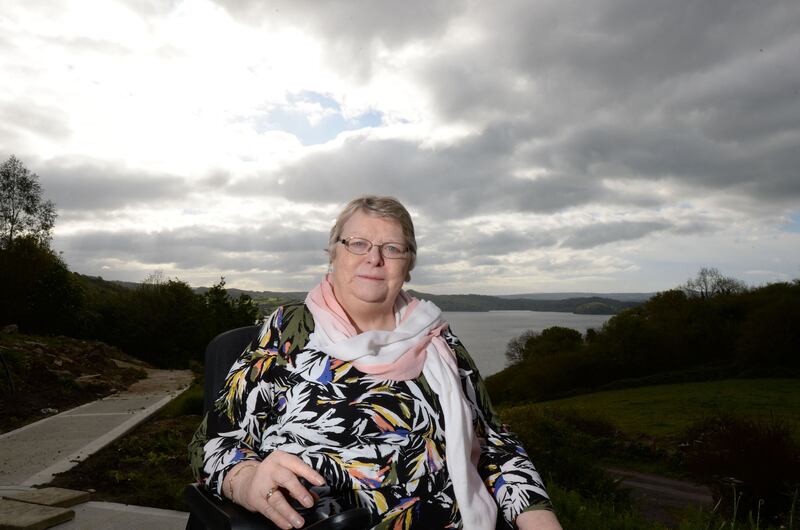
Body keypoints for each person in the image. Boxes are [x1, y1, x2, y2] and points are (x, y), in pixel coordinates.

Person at [198, 196, 562, 530]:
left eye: (392, 248)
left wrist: (539, 518)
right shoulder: (289, 329)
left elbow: (496, 444)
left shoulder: (439, 339)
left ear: (408, 265)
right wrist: (246, 479)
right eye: (358, 243)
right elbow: (212, 443)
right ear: (334, 253)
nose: (374, 258)